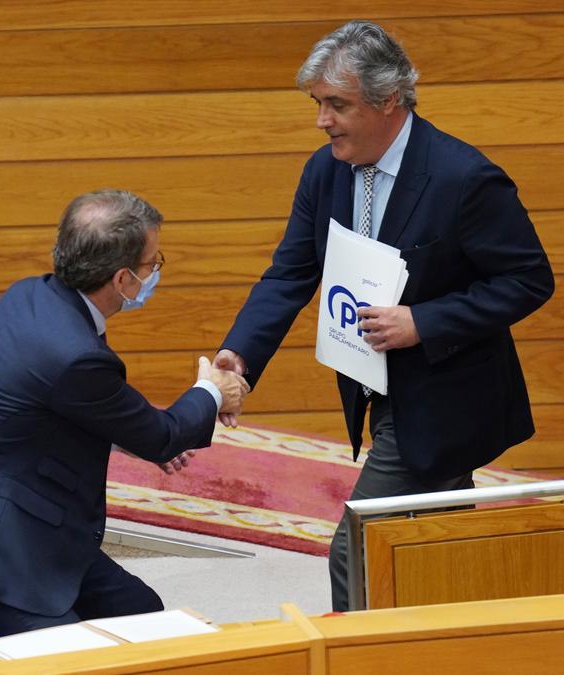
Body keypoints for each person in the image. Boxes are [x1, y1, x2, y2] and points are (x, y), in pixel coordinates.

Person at [214, 20, 554, 610]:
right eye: (318, 103)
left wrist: (423, 320)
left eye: (337, 104)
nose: (323, 119)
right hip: (375, 383)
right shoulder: (325, 171)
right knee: (432, 541)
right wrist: (240, 354)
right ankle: (448, 639)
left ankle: (356, 654)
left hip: (446, 395)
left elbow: (529, 280)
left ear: (389, 99)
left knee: (359, 544)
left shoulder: (464, 178)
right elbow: (291, 272)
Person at [0, 189, 248, 635]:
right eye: (153, 263)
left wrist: (131, 432)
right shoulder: (73, 354)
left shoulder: (32, 295)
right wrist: (212, 390)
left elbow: (64, 404)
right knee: (70, 652)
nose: (155, 272)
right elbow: (161, 435)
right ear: (123, 279)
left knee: (144, 614)